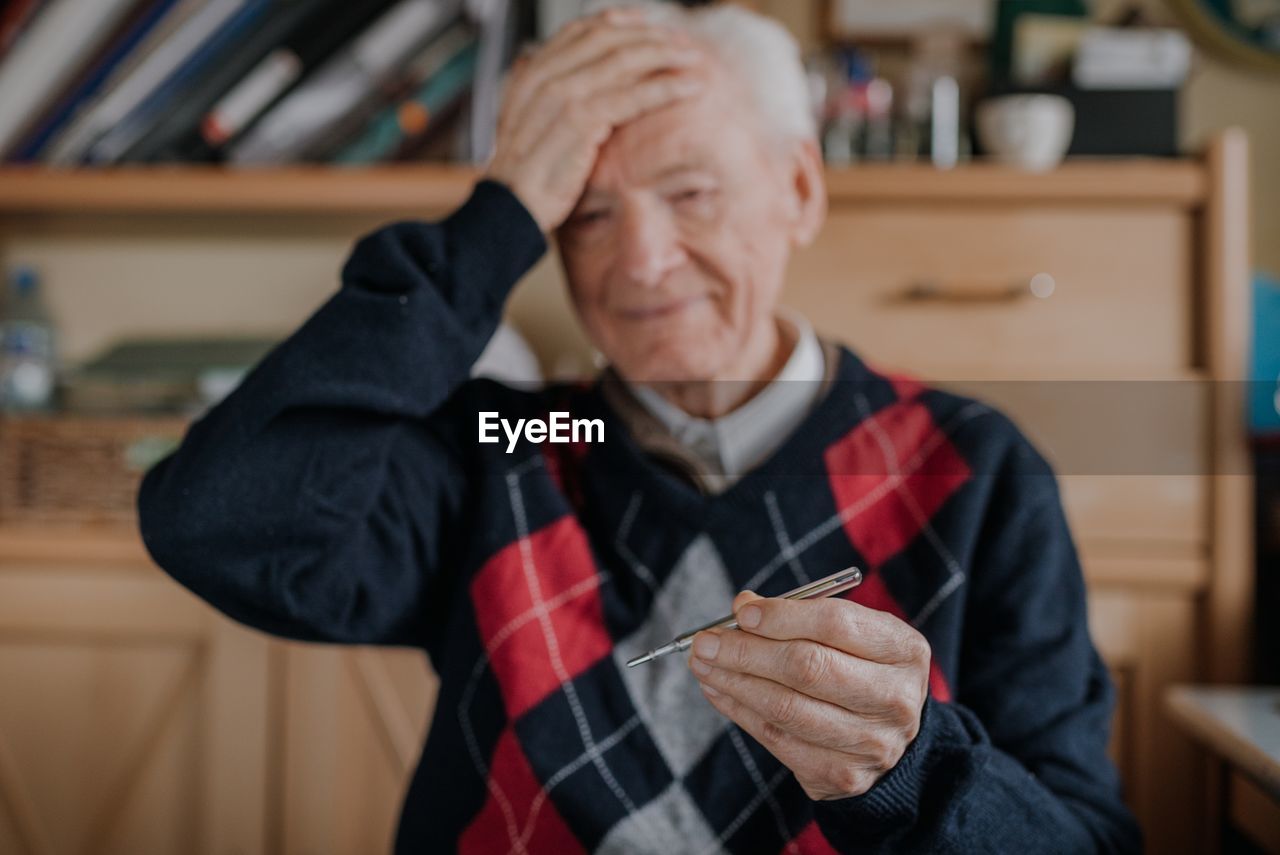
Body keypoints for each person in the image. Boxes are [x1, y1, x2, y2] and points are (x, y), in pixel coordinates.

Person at [137, 4, 1142, 853]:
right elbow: (218, 520)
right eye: (583, 214)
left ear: (797, 189)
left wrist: (910, 768)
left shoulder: (971, 468)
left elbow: (1079, 836)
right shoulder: (511, 451)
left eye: (690, 194)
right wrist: (498, 212)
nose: (639, 263)